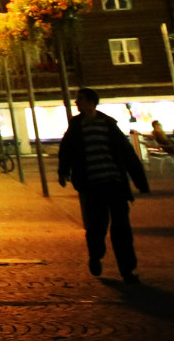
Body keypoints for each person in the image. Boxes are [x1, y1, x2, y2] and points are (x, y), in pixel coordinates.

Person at [57, 86, 150, 280]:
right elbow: (66, 150)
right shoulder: (76, 126)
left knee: (121, 228)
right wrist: (63, 172)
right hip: (92, 186)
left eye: (80, 99)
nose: (76, 102)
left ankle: (127, 270)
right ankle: (95, 255)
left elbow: (126, 153)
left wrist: (140, 181)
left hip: (114, 183)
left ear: (91, 103)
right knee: (97, 226)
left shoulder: (108, 125)